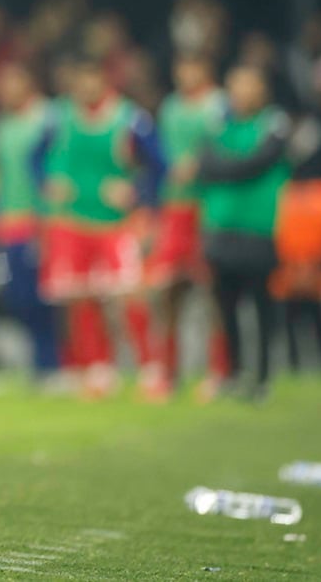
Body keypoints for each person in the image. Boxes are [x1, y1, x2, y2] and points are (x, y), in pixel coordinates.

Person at [33, 53, 166, 398]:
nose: (87, 86)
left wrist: (137, 192)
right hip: (71, 220)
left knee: (130, 298)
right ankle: (98, 370)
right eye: (81, 80)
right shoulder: (58, 116)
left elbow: (159, 164)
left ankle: (150, 369)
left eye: (93, 79)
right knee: (81, 298)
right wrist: (46, 181)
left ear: (106, 81)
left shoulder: (130, 118)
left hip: (115, 223)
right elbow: (34, 157)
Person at [196, 65, 290, 402]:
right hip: (220, 226)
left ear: (262, 89)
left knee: (262, 305)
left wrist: (226, 168)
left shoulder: (274, 123)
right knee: (226, 306)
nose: (241, 92)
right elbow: (206, 164)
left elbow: (258, 163)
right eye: (236, 85)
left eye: (249, 85)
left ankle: (262, 377)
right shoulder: (217, 123)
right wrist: (231, 168)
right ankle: (233, 373)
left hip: (259, 227)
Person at [144, 52, 229, 400]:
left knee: (212, 294)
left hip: (206, 207)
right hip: (174, 208)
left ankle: (218, 372)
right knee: (163, 292)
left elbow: (227, 149)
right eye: (181, 68)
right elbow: (159, 158)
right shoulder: (169, 108)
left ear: (206, 69)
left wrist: (200, 165)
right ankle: (167, 373)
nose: (186, 74)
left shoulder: (220, 106)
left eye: (193, 67)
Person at [0, 62, 60, 382]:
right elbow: (3, 176)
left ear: (28, 82)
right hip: (10, 223)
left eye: (11, 83)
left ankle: (54, 363)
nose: (5, 92)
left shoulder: (50, 118)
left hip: (42, 221)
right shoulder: (1, 126)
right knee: (18, 298)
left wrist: (48, 216)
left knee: (46, 297)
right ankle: (41, 362)